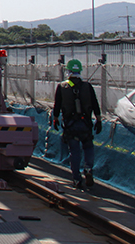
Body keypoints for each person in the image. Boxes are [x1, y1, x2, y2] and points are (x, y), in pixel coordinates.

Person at [53, 59, 102, 191]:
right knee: (88, 146)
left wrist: (55, 118)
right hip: (85, 124)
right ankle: (88, 168)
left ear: (68, 71)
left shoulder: (62, 87)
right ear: (80, 71)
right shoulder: (87, 86)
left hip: (71, 125)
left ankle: (76, 179)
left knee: (74, 152)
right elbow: (95, 104)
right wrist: (98, 120)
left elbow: (57, 105)